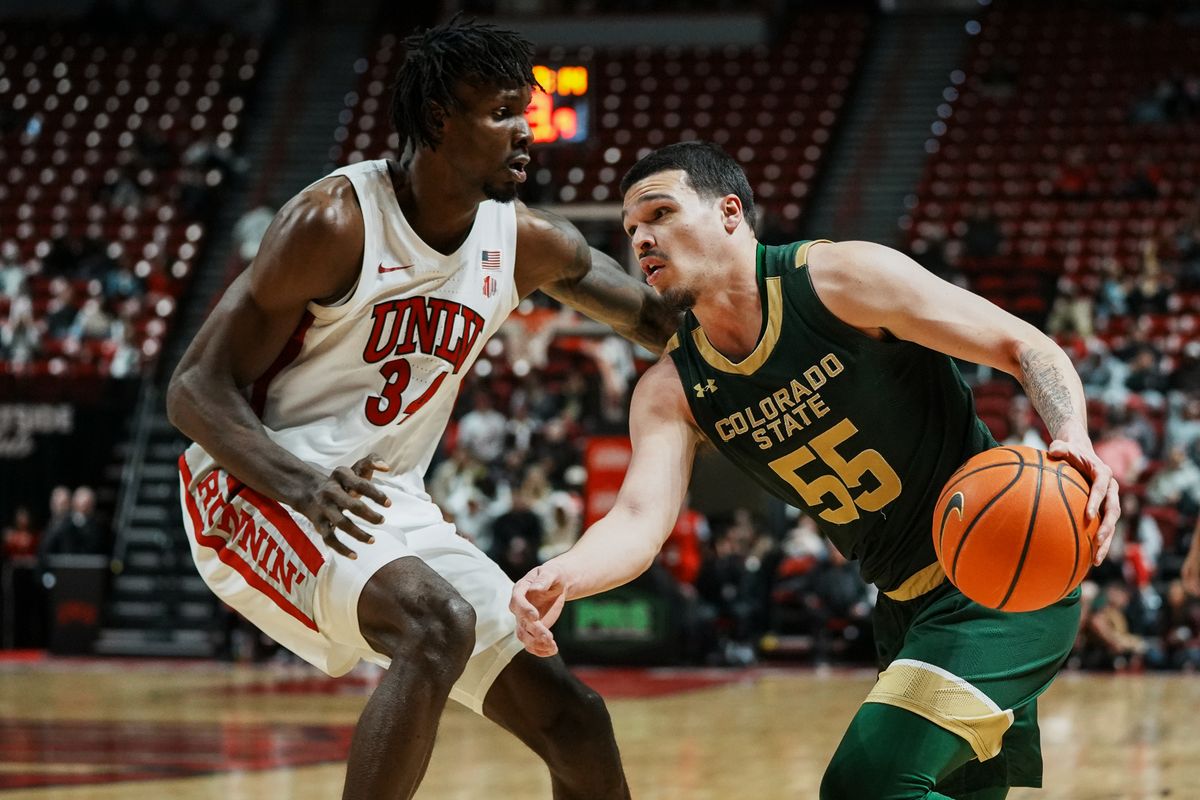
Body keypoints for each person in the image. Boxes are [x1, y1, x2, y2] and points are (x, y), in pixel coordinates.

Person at [511, 142, 1121, 800]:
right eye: (632, 229)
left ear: (729, 213)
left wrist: (1072, 437)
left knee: (863, 786)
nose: (643, 239)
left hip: (1001, 575)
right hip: (904, 607)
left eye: (660, 212)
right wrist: (566, 572)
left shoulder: (839, 280)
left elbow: (1023, 344)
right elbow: (637, 519)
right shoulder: (672, 389)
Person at [167, 18, 678, 800]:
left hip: (381, 502)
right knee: (436, 623)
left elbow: (655, 320)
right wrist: (301, 486)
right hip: (256, 486)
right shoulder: (335, 223)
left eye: (526, 110)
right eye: (504, 110)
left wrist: (783, 312)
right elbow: (194, 389)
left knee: (574, 721)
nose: (525, 130)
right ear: (441, 117)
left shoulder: (525, 241)